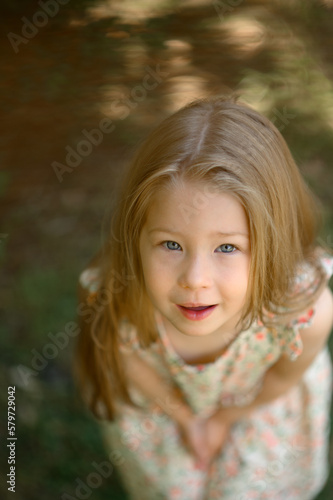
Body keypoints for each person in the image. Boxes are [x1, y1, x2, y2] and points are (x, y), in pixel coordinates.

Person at [75, 95, 333, 500]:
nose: (195, 280)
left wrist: (224, 419)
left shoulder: (305, 313)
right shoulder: (122, 292)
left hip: (259, 408)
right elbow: (125, 358)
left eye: (227, 248)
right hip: (165, 407)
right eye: (171, 245)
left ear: (273, 241)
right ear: (135, 236)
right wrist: (186, 419)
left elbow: (283, 377)